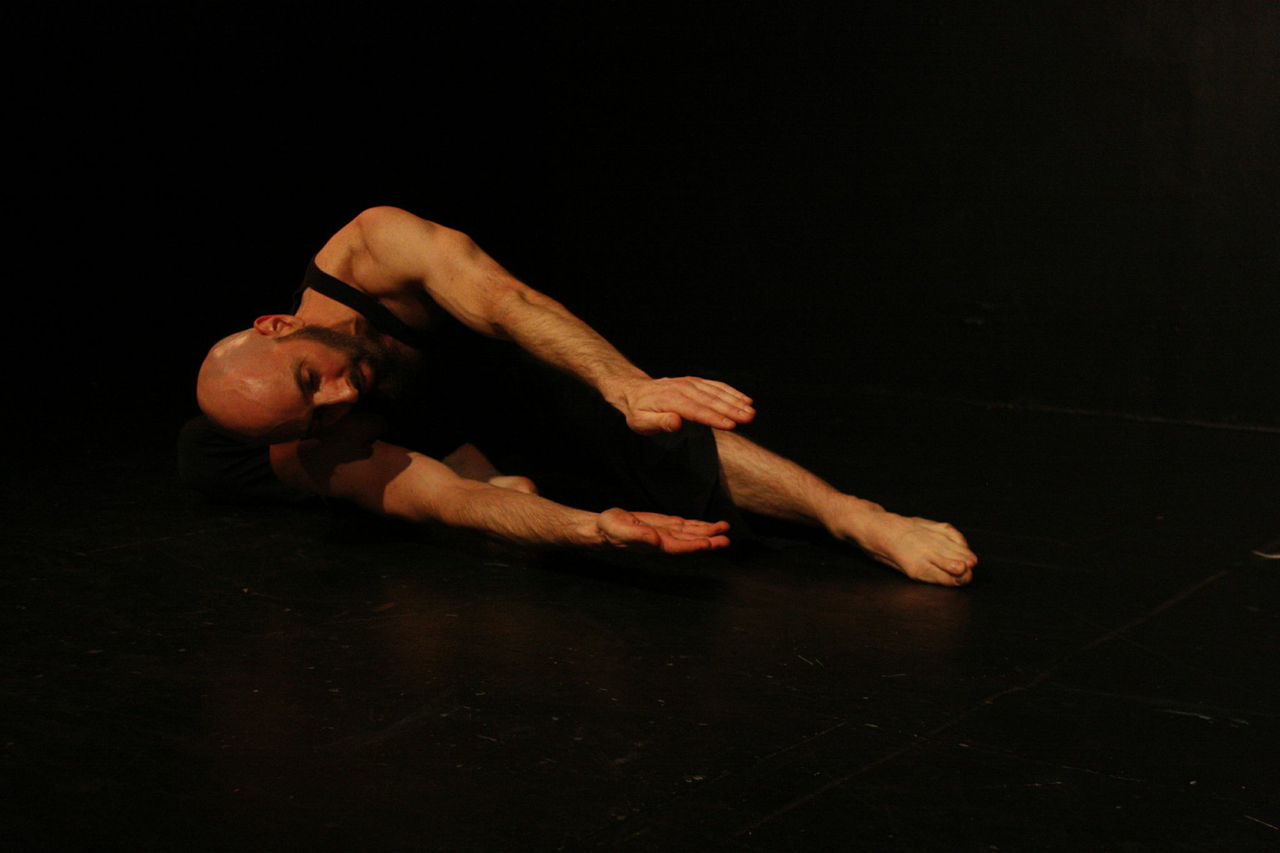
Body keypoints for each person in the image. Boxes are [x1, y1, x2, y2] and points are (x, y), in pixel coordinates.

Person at [181, 206, 977, 585]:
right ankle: (482, 456)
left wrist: (628, 387)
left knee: (650, 429)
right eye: (312, 410)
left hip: (472, 381)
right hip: (304, 450)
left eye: (309, 380)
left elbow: (507, 302)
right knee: (228, 462)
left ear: (280, 323)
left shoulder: (372, 248)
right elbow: (455, 505)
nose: (331, 397)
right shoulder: (315, 442)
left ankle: (858, 517)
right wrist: (587, 530)